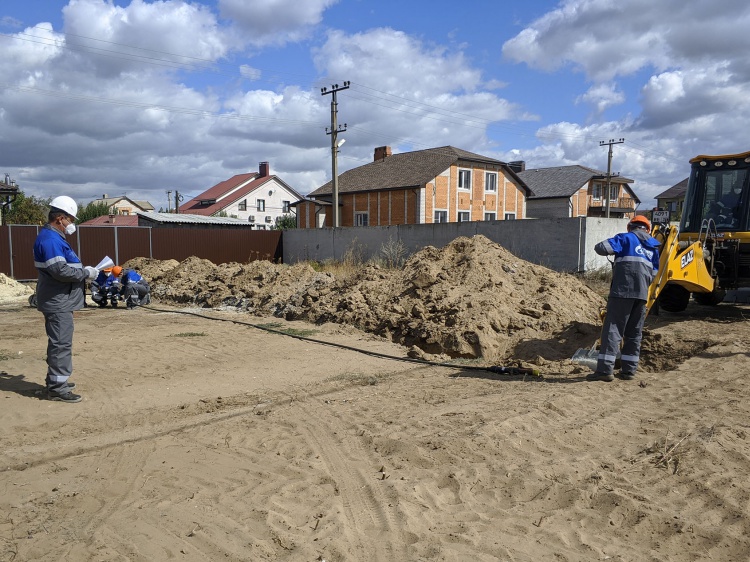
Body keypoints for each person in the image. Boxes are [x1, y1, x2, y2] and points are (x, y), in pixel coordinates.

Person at [33, 196, 99, 402]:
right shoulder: (51, 240)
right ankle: (57, 388)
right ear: (60, 218)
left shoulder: (53, 238)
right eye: (71, 219)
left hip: (59, 299)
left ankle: (55, 381)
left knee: (59, 343)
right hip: (58, 300)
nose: (72, 223)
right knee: (61, 344)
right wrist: (86, 273)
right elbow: (60, 270)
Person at [587, 215, 661, 382]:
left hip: (622, 291)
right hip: (641, 295)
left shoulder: (625, 238)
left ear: (630, 227)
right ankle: (629, 371)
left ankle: (605, 370)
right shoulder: (653, 247)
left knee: (613, 330)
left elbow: (601, 248)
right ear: (648, 230)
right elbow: (654, 273)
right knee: (634, 333)